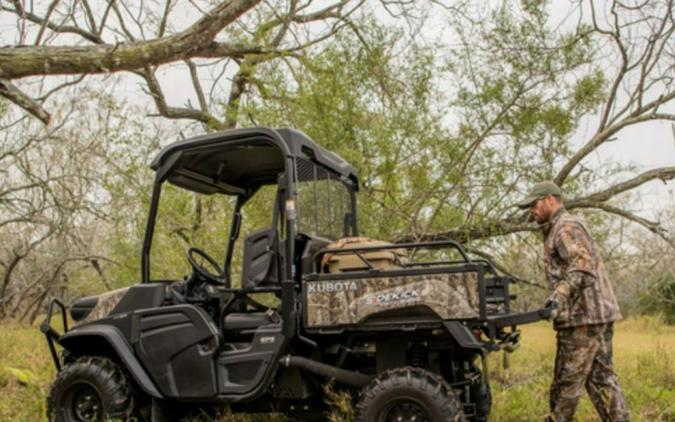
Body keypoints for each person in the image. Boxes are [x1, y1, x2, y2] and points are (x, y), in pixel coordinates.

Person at [516, 181, 630, 422]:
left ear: (550, 199)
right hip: (596, 315)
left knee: (566, 383)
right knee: (601, 379)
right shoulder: (558, 227)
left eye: (534, 205)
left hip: (583, 318)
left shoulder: (565, 227)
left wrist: (559, 296)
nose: (531, 211)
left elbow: (582, 264)